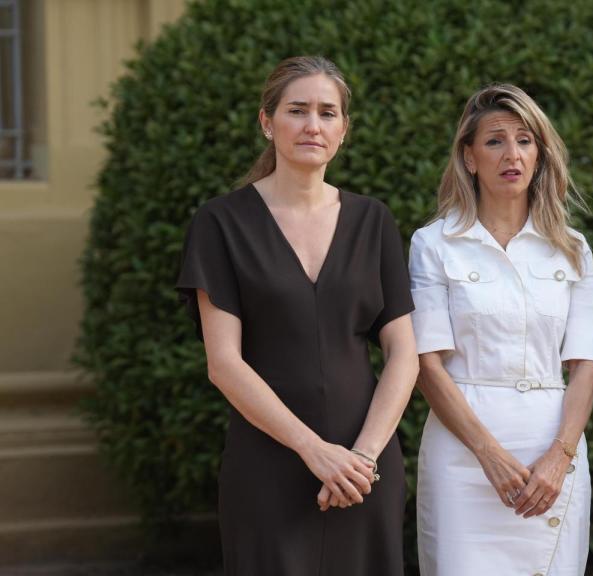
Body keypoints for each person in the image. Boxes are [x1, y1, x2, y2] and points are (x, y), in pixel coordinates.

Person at [175, 56, 418, 576]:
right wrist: (314, 450)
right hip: (267, 465)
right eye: (297, 110)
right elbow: (224, 363)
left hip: (365, 469)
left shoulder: (373, 220)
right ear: (267, 122)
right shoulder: (220, 223)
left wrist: (362, 458)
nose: (313, 125)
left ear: (343, 129)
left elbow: (404, 353)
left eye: (327, 113)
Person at [409, 84, 593, 576]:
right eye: (495, 141)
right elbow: (426, 365)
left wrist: (561, 457)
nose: (512, 154)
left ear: (539, 156)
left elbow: (586, 364)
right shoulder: (434, 244)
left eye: (524, 141)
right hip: (462, 457)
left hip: (552, 454)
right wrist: (489, 454)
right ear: (469, 157)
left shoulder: (572, 248)